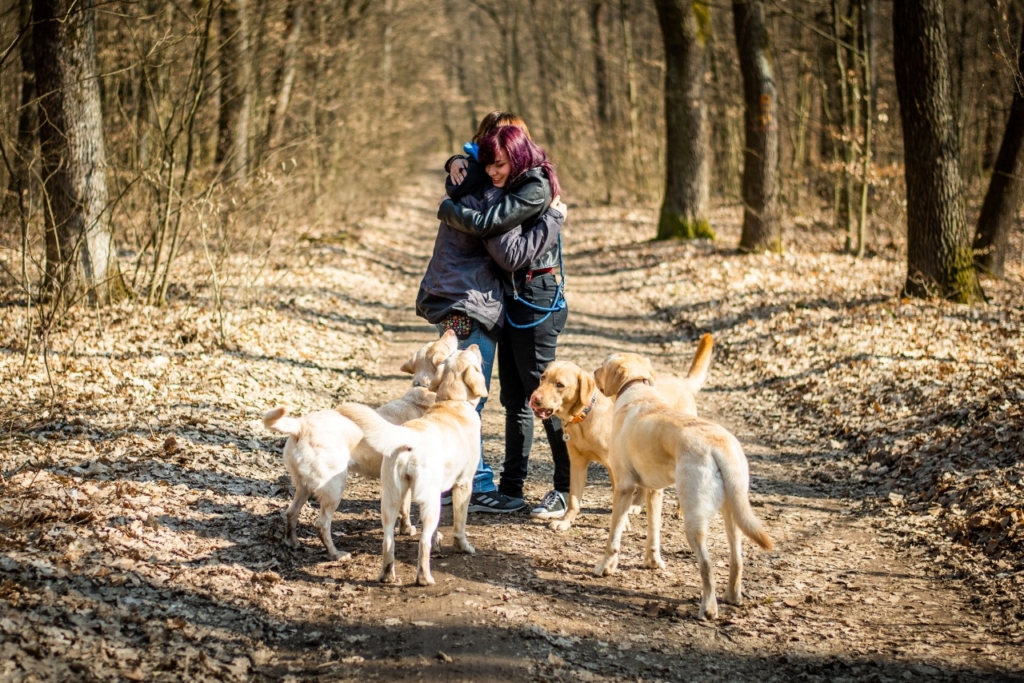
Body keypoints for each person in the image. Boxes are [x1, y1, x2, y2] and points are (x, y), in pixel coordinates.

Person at [417, 114, 566, 513]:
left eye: (499, 161)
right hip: (467, 301)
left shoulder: (494, 183)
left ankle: (463, 481)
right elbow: (507, 249)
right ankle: (475, 483)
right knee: (466, 399)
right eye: (487, 159)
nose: (492, 169)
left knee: (471, 395)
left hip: (464, 297)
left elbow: (498, 234)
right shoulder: (486, 188)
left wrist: (451, 193)